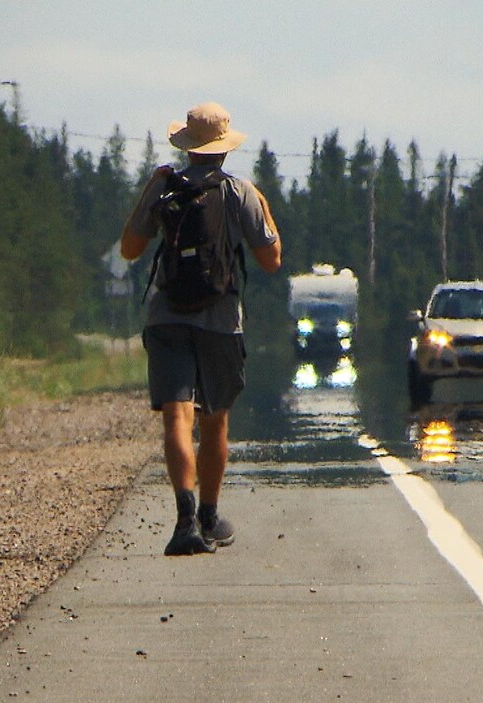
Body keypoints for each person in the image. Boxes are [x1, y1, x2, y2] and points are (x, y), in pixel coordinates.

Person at [120, 102, 282, 556]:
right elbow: (271, 261)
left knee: (177, 416)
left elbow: (130, 248)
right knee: (214, 422)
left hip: (167, 318)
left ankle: (184, 519)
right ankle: (210, 515)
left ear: (187, 146)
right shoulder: (239, 192)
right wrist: (262, 206)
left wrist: (151, 188)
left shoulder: (165, 187)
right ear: (225, 148)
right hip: (220, 323)